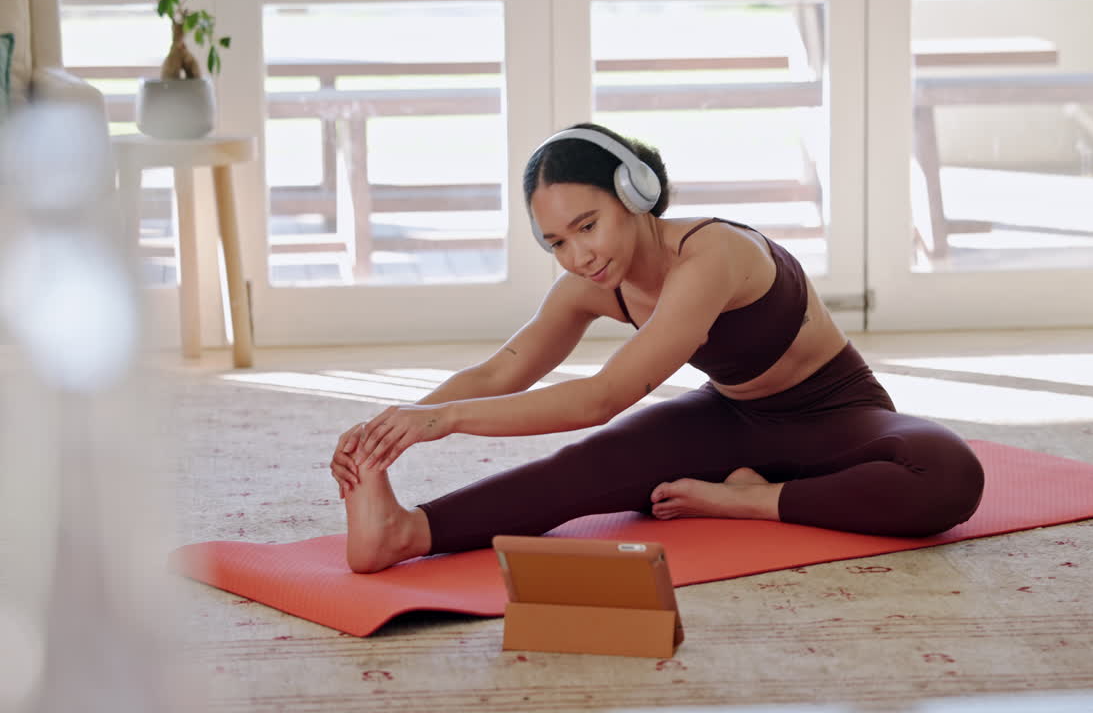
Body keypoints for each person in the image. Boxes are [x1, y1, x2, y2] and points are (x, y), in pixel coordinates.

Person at [329, 123, 984, 574]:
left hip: (835, 418)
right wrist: (393, 429)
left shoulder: (712, 254)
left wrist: (444, 421)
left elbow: (604, 396)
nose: (579, 254)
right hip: (730, 422)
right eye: (557, 241)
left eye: (589, 225)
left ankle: (748, 499)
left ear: (635, 194)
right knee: (583, 470)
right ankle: (404, 532)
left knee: (948, 473)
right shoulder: (590, 284)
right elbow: (506, 367)